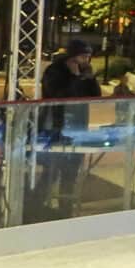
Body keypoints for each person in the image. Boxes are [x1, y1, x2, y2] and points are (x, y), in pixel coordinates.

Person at [35, 39, 104, 212]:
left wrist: (89, 79)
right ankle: (35, 206)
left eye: (88, 57)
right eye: (82, 57)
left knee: (71, 172)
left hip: (78, 126)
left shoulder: (84, 73)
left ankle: (65, 209)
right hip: (56, 125)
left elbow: (95, 96)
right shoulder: (55, 71)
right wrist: (74, 77)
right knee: (52, 170)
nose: (85, 61)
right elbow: (59, 95)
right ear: (72, 57)